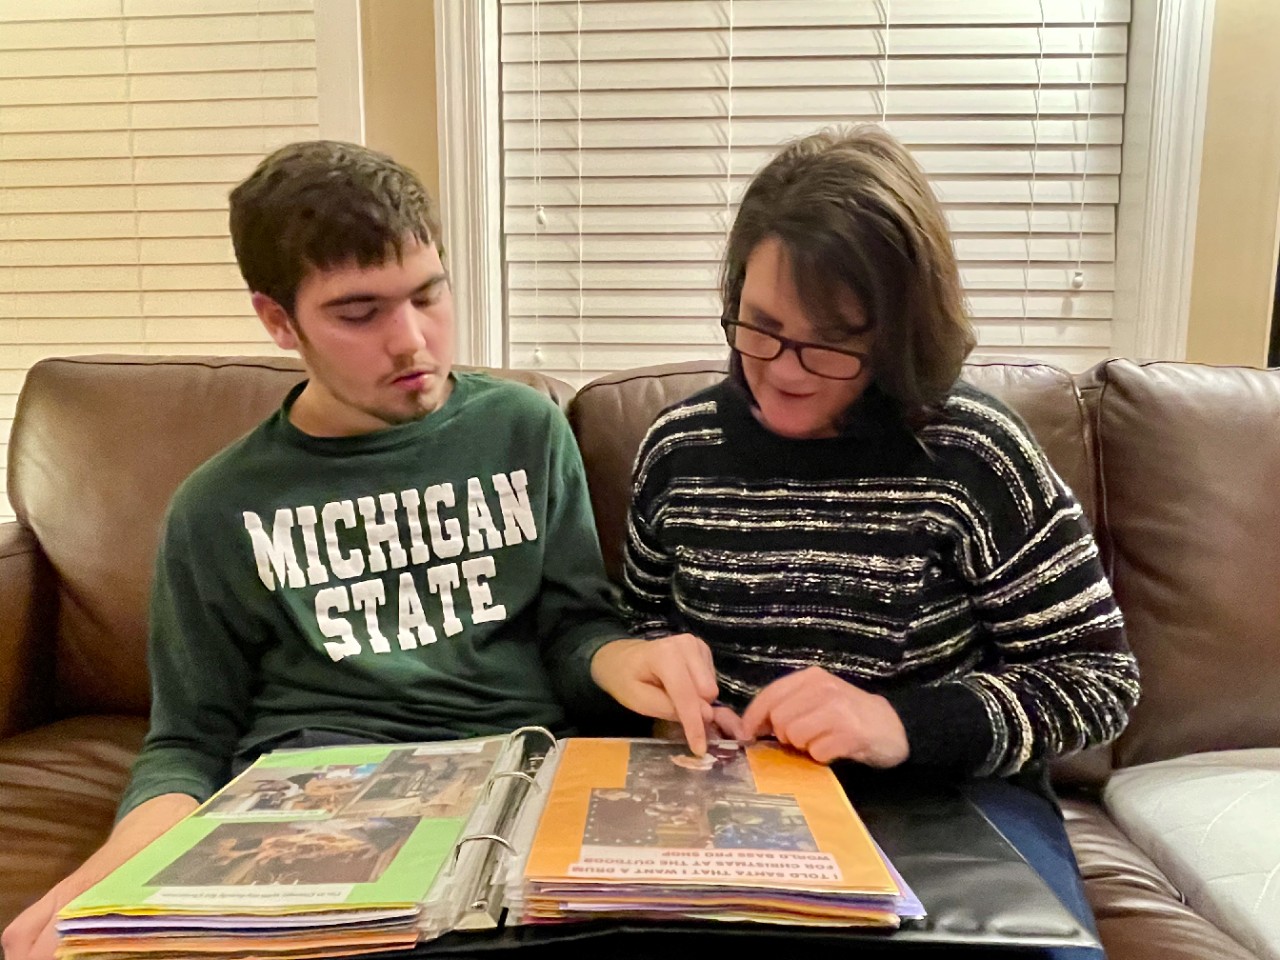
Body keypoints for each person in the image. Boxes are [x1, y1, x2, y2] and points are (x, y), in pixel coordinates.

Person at [1, 140, 718, 960]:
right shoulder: (219, 507)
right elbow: (189, 740)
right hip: (314, 814)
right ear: (278, 320)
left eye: (428, 294)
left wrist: (622, 661)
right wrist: (104, 882)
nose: (412, 342)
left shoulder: (522, 430)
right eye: (358, 312)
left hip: (516, 794)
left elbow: (572, 629)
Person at [619, 125, 1141, 957]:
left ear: (897, 333)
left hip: (945, 802)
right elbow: (638, 625)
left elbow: (1100, 682)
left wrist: (899, 725)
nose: (784, 369)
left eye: (833, 341)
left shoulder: (974, 451)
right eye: (759, 326)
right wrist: (660, 681)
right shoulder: (677, 450)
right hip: (726, 795)